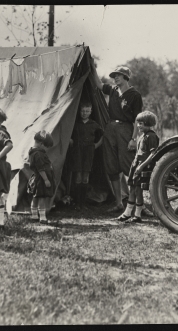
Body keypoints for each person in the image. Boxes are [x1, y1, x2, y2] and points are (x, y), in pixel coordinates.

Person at [90, 65, 144, 213]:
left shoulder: (134, 95)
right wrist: (93, 67)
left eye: (119, 75)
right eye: (114, 75)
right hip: (110, 129)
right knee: (112, 167)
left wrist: (134, 139)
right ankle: (119, 203)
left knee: (130, 167)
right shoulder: (113, 90)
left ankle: (140, 204)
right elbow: (99, 84)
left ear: (126, 77)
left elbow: (137, 120)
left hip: (126, 130)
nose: (115, 78)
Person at [116, 111, 160, 223]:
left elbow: (153, 154)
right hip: (136, 165)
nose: (139, 126)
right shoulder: (142, 136)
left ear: (149, 124)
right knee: (133, 189)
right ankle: (127, 213)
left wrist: (142, 167)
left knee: (138, 190)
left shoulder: (151, 136)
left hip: (142, 166)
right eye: (138, 123)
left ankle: (137, 215)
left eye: (141, 123)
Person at [70, 100, 103, 210]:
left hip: (89, 152)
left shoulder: (94, 124)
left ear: (90, 112)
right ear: (79, 111)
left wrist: (96, 145)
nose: (84, 113)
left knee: (85, 176)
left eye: (87, 111)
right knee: (78, 175)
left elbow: (103, 135)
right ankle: (77, 203)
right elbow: (67, 133)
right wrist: (71, 141)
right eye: (82, 111)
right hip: (78, 151)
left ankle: (83, 203)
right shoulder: (75, 124)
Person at [28, 130, 56, 225]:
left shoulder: (33, 152)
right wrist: (46, 180)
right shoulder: (38, 154)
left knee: (35, 197)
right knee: (41, 198)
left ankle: (34, 215)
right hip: (41, 179)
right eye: (46, 146)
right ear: (41, 144)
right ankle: (42, 217)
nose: (47, 149)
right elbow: (40, 169)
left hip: (37, 178)